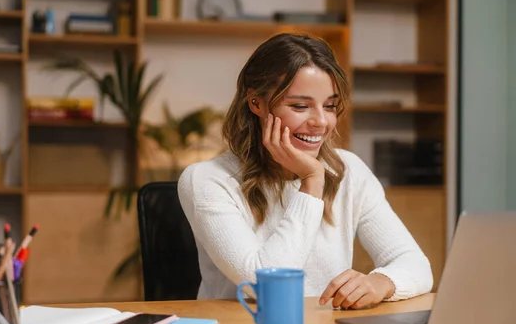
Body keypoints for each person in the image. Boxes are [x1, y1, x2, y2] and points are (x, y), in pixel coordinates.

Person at [178, 33, 433, 309]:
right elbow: (263, 285)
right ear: (256, 104)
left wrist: (381, 283)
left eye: (330, 106)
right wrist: (311, 181)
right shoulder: (207, 179)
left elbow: (416, 265)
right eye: (300, 106)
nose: (321, 122)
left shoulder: (350, 170)